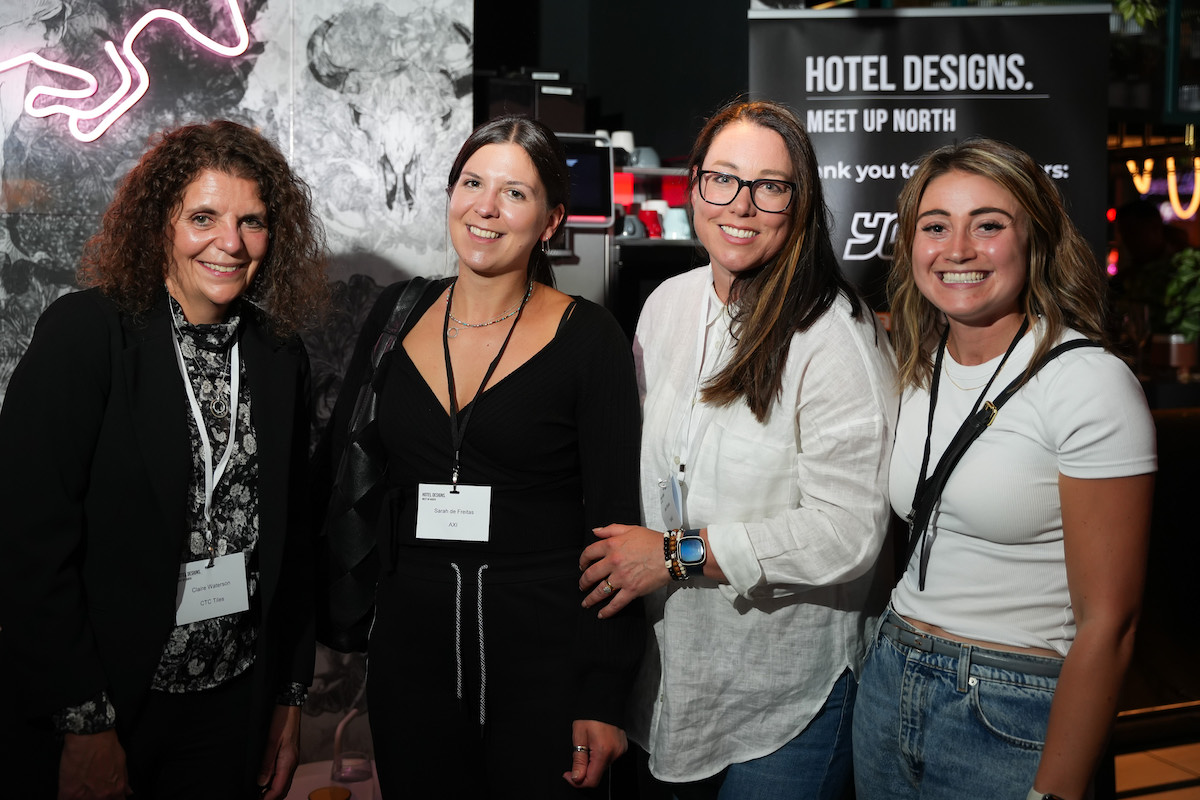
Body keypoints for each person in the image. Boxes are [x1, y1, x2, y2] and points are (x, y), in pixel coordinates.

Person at [313, 114, 643, 796]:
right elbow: (349, 471)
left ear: (551, 221)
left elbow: (615, 527)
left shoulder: (590, 338)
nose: (485, 207)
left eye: (515, 193)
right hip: (412, 655)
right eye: (472, 182)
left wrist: (603, 693)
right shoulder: (397, 315)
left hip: (544, 657)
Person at [578, 99, 898, 798]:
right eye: (723, 178)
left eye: (770, 186)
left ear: (800, 202)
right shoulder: (666, 304)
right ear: (694, 185)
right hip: (672, 681)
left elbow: (849, 534)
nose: (741, 206)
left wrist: (673, 554)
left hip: (785, 699)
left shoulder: (835, 338)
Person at [0, 120, 328, 799]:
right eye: (203, 217)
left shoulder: (278, 356)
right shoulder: (87, 335)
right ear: (160, 224)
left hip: (233, 702)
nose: (230, 243)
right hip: (109, 703)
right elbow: (26, 543)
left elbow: (295, 547)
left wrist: (287, 699)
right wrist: (84, 724)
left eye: (253, 221)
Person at [851, 137, 1157, 800]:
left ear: (1036, 241)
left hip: (1009, 707)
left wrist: (1057, 791)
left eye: (988, 225)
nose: (957, 249)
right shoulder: (915, 365)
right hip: (889, 677)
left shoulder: (1087, 384)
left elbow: (1111, 624)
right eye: (936, 227)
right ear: (910, 246)